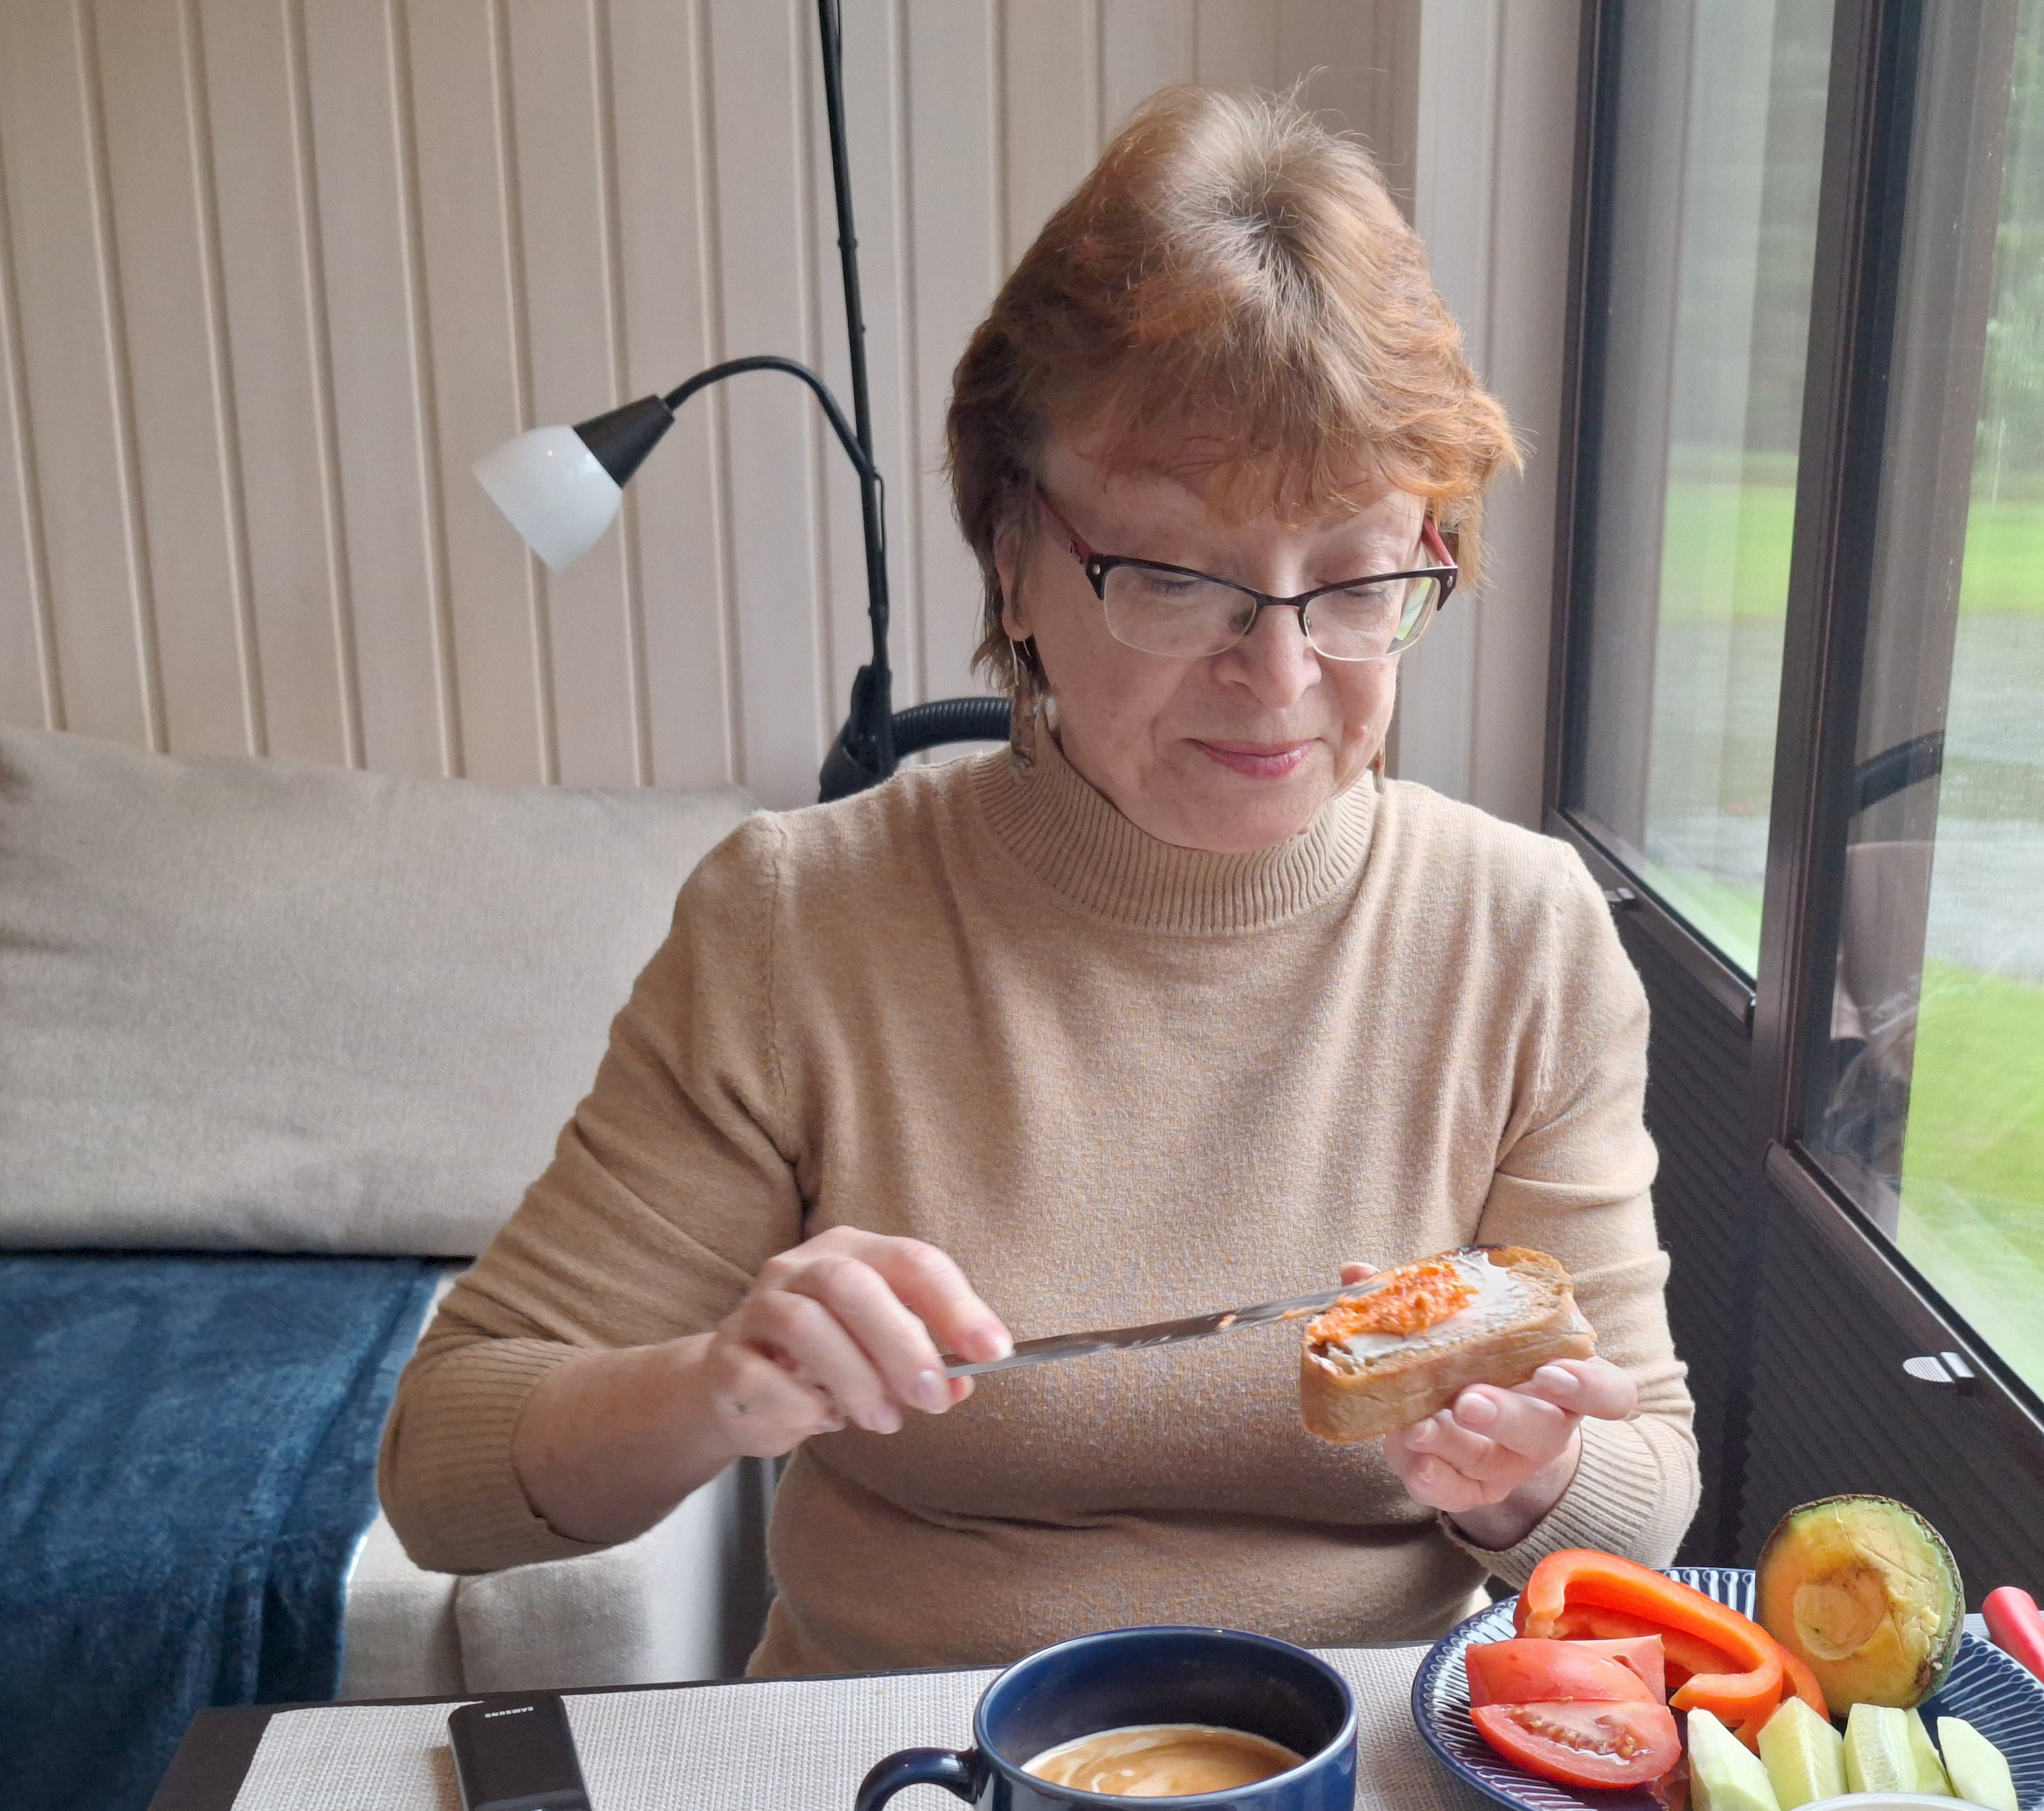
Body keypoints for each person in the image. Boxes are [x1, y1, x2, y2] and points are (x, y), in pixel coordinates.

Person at [379, 87, 1697, 1675]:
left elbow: (1646, 1492)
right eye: (1176, 579)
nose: (1279, 677)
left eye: (1357, 581)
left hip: (1351, 1767)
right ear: (1014, 558)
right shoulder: (799, 924)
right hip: (895, 1767)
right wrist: (716, 1383)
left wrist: (1530, 1478)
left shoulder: (1520, 935)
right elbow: (443, 1469)